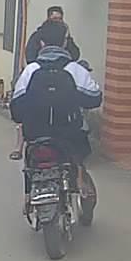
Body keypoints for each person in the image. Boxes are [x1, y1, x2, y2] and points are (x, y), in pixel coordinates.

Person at [9, 44, 103, 214]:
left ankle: (28, 196)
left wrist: (23, 118)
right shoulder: (75, 69)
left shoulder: (31, 69)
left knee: (31, 162)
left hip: (36, 132)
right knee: (78, 153)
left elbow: (16, 104)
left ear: (42, 46)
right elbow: (94, 97)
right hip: (68, 132)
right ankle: (80, 181)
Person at [11, 11, 80, 159]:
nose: (57, 21)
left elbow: (76, 54)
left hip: (58, 127)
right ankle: (19, 146)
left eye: (60, 18)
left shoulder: (70, 62)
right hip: (41, 125)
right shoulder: (35, 62)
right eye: (54, 18)